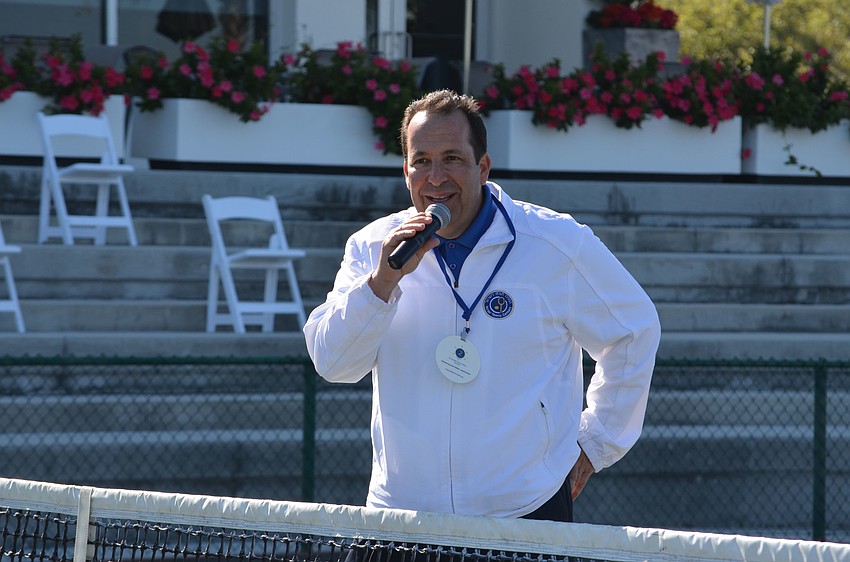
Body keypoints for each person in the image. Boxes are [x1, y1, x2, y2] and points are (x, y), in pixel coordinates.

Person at [303, 89, 661, 523]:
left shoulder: (556, 242)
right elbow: (334, 364)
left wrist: (596, 442)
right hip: (401, 516)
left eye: (452, 158)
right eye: (422, 161)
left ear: (483, 167)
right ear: (406, 171)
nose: (436, 178)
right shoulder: (374, 248)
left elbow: (633, 330)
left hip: (524, 511)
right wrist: (381, 283)